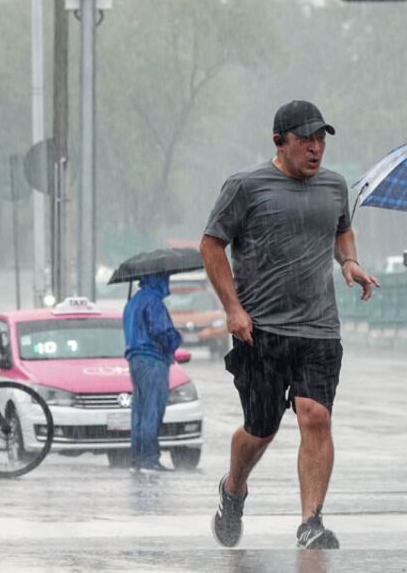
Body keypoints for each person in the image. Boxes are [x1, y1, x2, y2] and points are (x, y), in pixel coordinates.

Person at [200, 100, 379, 549]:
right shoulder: (245, 186)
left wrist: (350, 261)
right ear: (280, 141)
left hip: (319, 328)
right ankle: (233, 488)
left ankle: (311, 522)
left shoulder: (335, 186)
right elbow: (211, 246)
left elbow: (340, 228)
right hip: (259, 330)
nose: (316, 148)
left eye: (321, 140)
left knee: (315, 416)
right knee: (260, 429)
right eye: (306, 140)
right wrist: (232, 308)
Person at [123, 272, 183, 472]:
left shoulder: (133, 303)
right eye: (165, 279)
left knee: (139, 411)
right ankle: (149, 458)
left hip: (135, 360)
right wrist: (176, 339)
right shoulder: (153, 302)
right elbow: (162, 332)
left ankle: (137, 458)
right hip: (153, 360)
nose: (168, 284)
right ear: (158, 280)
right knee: (152, 410)